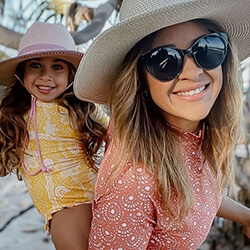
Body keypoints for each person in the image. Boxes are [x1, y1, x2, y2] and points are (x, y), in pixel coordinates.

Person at [73, 0, 250, 249]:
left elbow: (195, 194)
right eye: (164, 60)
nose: (192, 71)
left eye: (207, 49)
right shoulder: (133, 182)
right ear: (140, 81)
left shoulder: (192, 134)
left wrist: (244, 216)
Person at [0, 21, 108, 250]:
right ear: (22, 73)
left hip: (81, 203)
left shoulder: (82, 108)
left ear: (71, 74)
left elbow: (119, 137)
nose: (46, 76)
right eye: (36, 65)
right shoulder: (13, 112)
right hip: (52, 211)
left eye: (57, 67)